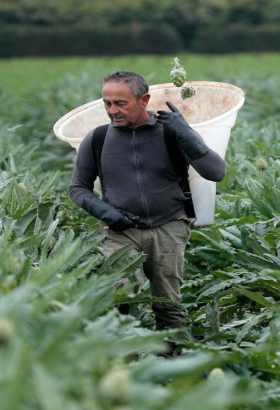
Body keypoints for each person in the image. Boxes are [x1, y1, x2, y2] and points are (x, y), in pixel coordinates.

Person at [69, 71, 226, 337]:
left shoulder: (171, 132)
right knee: (121, 300)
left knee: (168, 303)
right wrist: (105, 212)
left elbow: (216, 172)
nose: (112, 110)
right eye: (107, 103)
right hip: (120, 233)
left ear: (144, 100)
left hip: (169, 226)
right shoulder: (97, 139)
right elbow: (78, 188)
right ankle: (127, 357)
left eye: (120, 103)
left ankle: (174, 356)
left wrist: (186, 133)